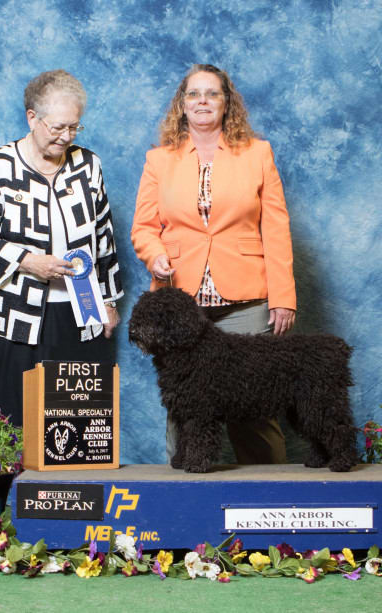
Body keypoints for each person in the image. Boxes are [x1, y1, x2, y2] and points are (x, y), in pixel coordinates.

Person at [131, 63, 296, 465]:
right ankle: (185, 498)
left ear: (227, 103)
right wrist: (155, 255)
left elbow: (276, 228)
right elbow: (144, 227)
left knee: (254, 410)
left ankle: (268, 501)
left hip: (246, 300)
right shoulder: (159, 159)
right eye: (193, 94)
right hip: (180, 305)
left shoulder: (258, 153)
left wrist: (284, 297)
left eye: (212, 93)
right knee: (183, 406)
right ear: (182, 105)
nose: (202, 101)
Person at [0, 69, 123, 427]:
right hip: (11, 313)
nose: (67, 137)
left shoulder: (88, 164)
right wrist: (27, 261)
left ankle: (73, 486)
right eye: (58, 128)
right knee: (14, 421)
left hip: (79, 312)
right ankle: (13, 485)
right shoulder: (0, 164)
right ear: (32, 118)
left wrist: (108, 301)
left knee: (76, 421)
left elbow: (104, 237)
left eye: (74, 128)